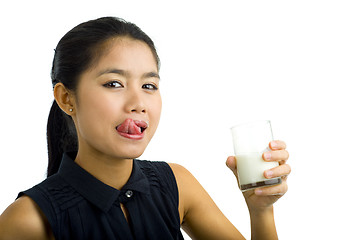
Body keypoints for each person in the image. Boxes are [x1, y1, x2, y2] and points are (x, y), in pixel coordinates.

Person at [0, 17, 291, 240]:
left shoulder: (177, 184)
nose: (138, 103)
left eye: (149, 86)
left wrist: (261, 209)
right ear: (66, 98)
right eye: (114, 83)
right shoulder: (28, 220)